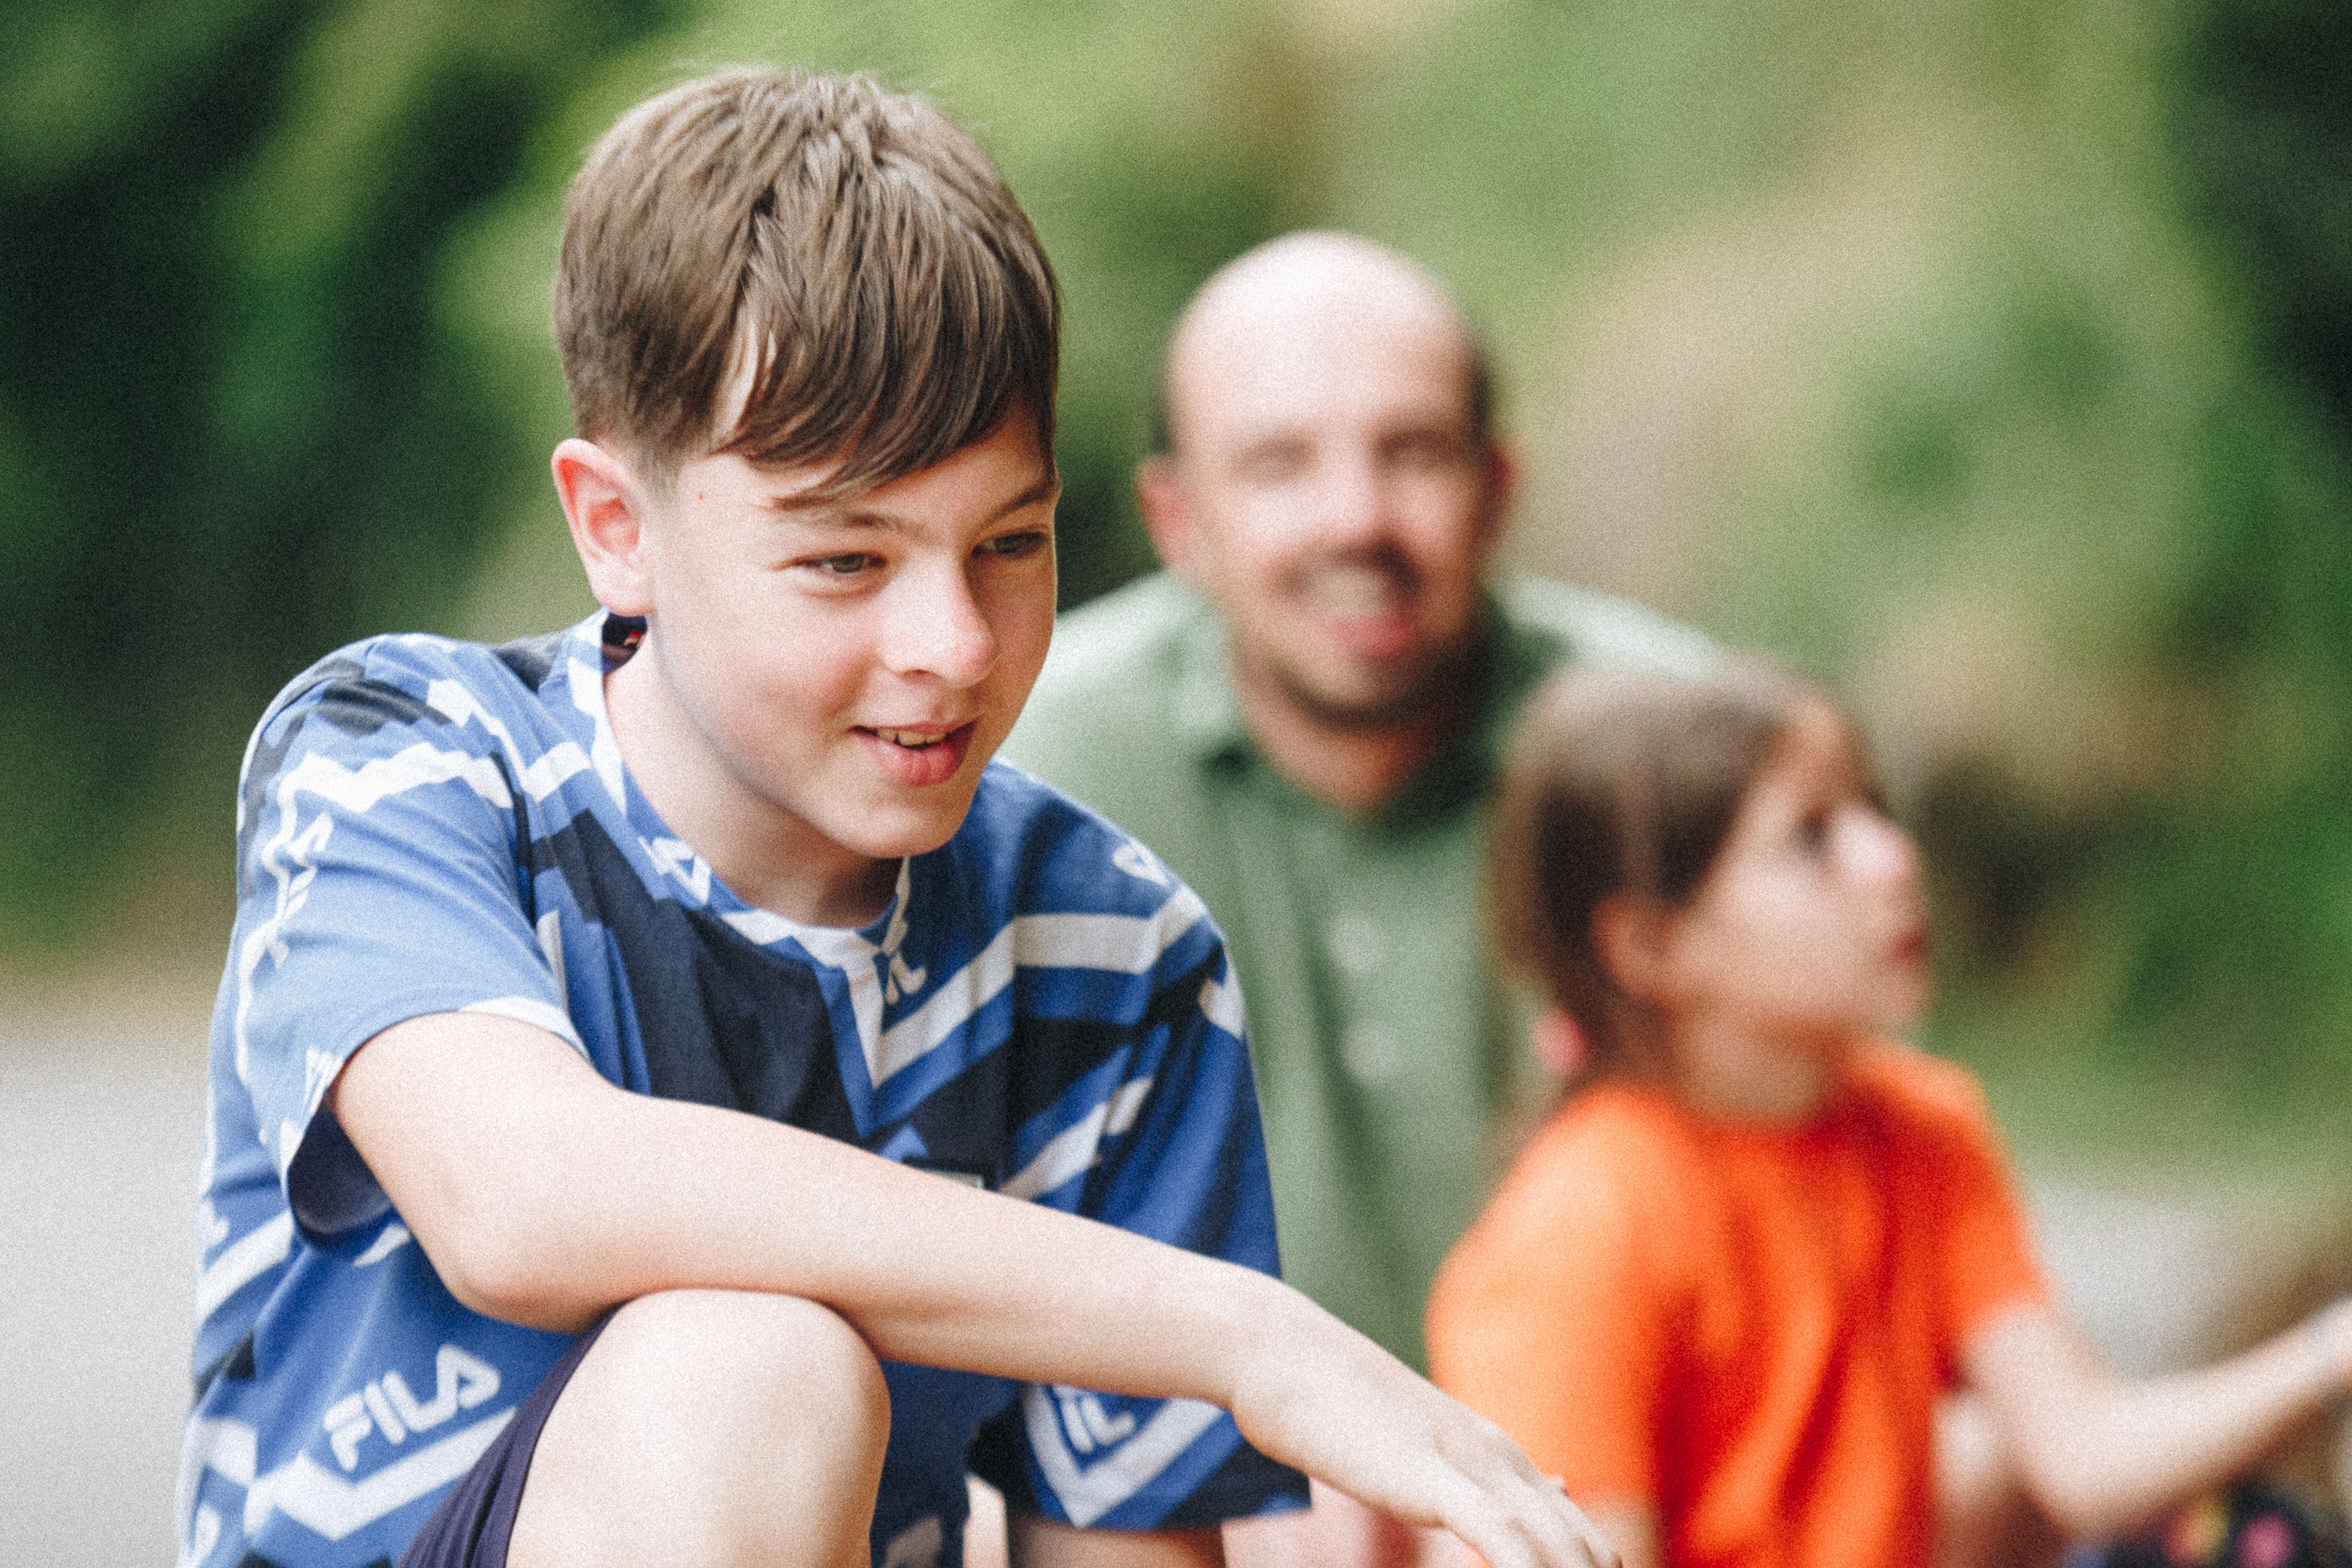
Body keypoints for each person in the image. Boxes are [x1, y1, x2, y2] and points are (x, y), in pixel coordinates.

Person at [177, 71, 1619, 1568]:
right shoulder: (402, 759)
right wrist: (1241, 1330)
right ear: (618, 526)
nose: (958, 642)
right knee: (750, 1370)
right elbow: (520, 1196)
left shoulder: (1107, 952)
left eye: (1010, 540)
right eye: (846, 559)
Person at [1423, 661, 2352, 1568]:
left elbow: (2082, 1456)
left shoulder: (1920, 1124)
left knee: (2262, 1537)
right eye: (1812, 836)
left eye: (1873, 808)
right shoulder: (1580, 1229)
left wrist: (2330, 1347)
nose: (1891, 858)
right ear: (1653, 945)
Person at [1000, 233, 1714, 1385]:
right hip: (1199, 1491)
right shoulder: (1028, 769)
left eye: (1415, 453)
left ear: (1497, 490)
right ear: (1176, 519)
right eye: (1278, 464)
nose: (1355, 520)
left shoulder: (1688, 755)